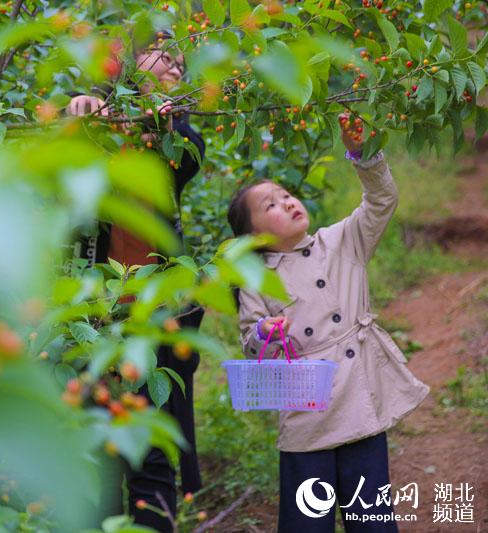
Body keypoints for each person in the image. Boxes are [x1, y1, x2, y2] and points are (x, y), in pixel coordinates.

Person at [227, 114, 430, 532]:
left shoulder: (340, 243)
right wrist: (263, 334)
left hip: (360, 408)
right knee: (307, 525)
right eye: (270, 205)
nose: (286, 203)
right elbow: (250, 337)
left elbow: (380, 202)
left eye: (285, 196)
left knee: (372, 521)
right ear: (255, 237)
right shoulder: (256, 279)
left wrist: (364, 154)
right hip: (307, 416)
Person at [67, 35, 205, 532]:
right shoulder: (89, 125)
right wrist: (79, 113)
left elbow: (187, 155)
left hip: (151, 325)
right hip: (90, 325)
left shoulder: (175, 138)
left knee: (150, 459)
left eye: (182, 63)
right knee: (96, 456)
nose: (174, 64)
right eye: (163, 54)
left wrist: (167, 123)